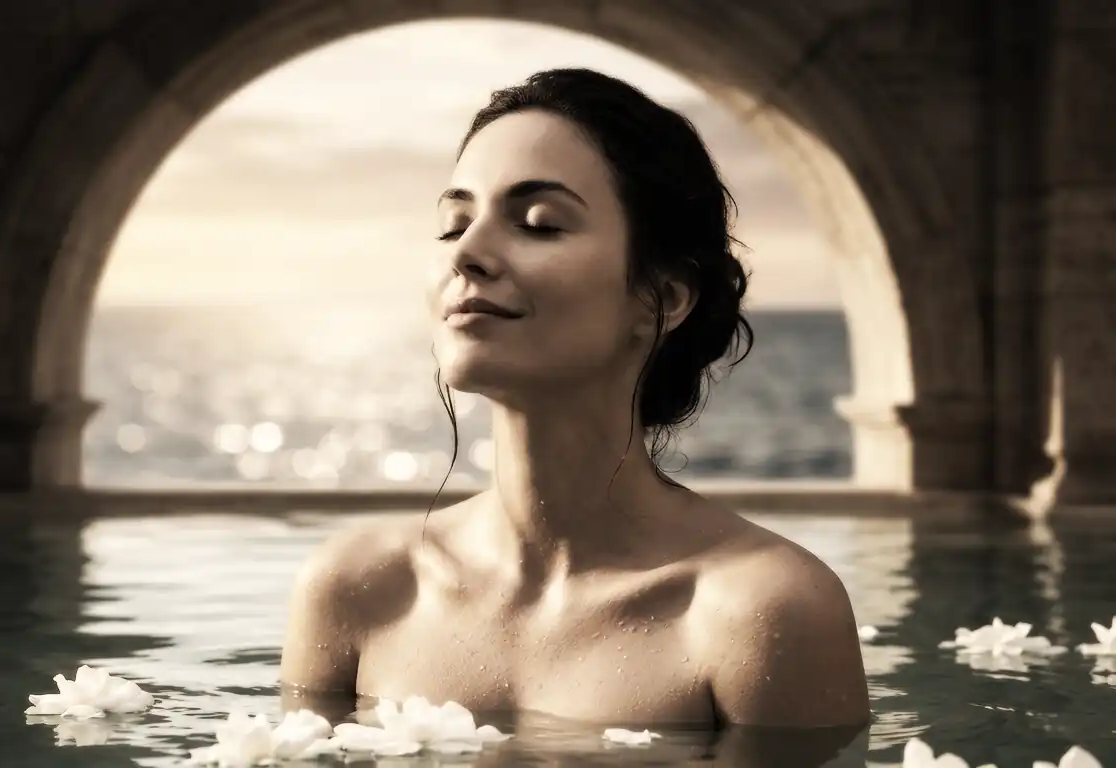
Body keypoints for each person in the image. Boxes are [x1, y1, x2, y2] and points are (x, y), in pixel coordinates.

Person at [280, 68, 870, 733]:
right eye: (454, 224)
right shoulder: (359, 589)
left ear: (664, 298)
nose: (466, 254)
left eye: (539, 224)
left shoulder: (764, 611)